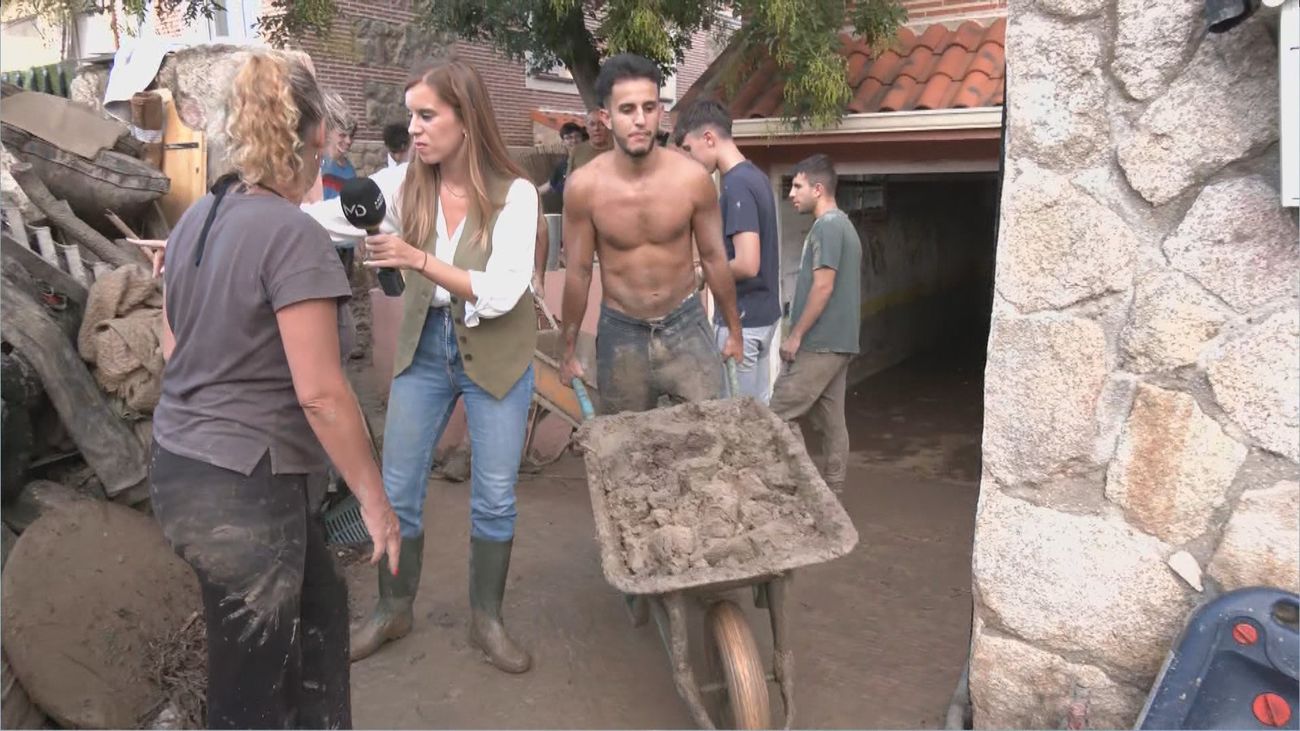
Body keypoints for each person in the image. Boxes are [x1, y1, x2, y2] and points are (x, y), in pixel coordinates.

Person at [149, 51, 401, 729]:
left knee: (319, 607)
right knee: (251, 695)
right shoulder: (293, 236)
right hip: (243, 495)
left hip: (182, 470)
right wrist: (376, 503)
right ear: (316, 135)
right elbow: (321, 393)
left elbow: (174, 348)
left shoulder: (196, 218)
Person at [304, 56, 540, 674]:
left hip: (496, 346)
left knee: (493, 498)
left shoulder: (514, 194)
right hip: (425, 345)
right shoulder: (400, 183)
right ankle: (392, 608)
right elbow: (317, 219)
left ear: (466, 118)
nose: (414, 128)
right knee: (400, 489)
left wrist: (414, 256)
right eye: (410, 116)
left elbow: (504, 291)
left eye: (427, 115)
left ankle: (486, 619)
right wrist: (216, 228)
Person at [560, 53, 743, 414]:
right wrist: (566, 350)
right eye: (627, 109)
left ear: (661, 112)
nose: (640, 120)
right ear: (605, 117)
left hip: (686, 323)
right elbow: (578, 273)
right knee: (627, 449)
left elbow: (713, 259)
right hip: (621, 331)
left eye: (649, 107)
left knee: (711, 438)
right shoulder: (584, 187)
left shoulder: (692, 179)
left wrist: (734, 332)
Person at [675, 99, 782, 403]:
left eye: (688, 149)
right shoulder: (757, 177)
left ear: (709, 138)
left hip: (743, 325)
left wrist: (702, 273)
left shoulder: (736, 186)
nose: (689, 159)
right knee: (757, 415)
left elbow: (748, 263)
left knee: (739, 423)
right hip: (763, 317)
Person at [770, 154, 862, 491]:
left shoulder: (828, 227)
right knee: (831, 422)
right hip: (839, 343)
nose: (792, 193)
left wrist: (795, 336)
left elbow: (823, 286)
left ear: (818, 189)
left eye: (797, 186)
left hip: (820, 344)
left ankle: (793, 488)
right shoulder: (843, 226)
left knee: (774, 414)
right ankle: (832, 494)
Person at [320, 98, 357, 200]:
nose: (348, 141)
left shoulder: (350, 170)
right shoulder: (317, 165)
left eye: (351, 136)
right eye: (342, 135)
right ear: (328, 133)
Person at [537, 121, 584, 198]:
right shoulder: (562, 166)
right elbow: (550, 185)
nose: (574, 140)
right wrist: (531, 193)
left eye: (577, 136)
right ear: (563, 142)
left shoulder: (591, 161)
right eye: (569, 137)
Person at [567, 108, 612, 175]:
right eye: (592, 124)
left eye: (602, 124)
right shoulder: (577, 152)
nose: (596, 128)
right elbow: (569, 182)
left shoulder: (619, 151)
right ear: (587, 128)